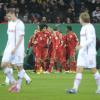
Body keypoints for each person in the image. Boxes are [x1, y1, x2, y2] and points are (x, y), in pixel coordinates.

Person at [67, 12, 100, 94]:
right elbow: (84, 40)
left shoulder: (90, 27)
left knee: (93, 70)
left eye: (79, 18)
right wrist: (79, 45)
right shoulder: (83, 27)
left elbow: (90, 40)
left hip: (89, 53)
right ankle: (75, 88)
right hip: (83, 53)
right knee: (79, 69)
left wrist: (81, 46)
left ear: (82, 19)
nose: (79, 20)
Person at [1, 8, 30, 92]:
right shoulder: (9, 23)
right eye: (7, 15)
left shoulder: (20, 24)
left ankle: (18, 87)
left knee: (19, 67)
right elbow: (9, 37)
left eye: (8, 15)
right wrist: (6, 48)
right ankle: (14, 82)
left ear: (13, 14)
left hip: (18, 48)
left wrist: (15, 49)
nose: (7, 17)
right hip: (9, 47)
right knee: (3, 65)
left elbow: (20, 38)